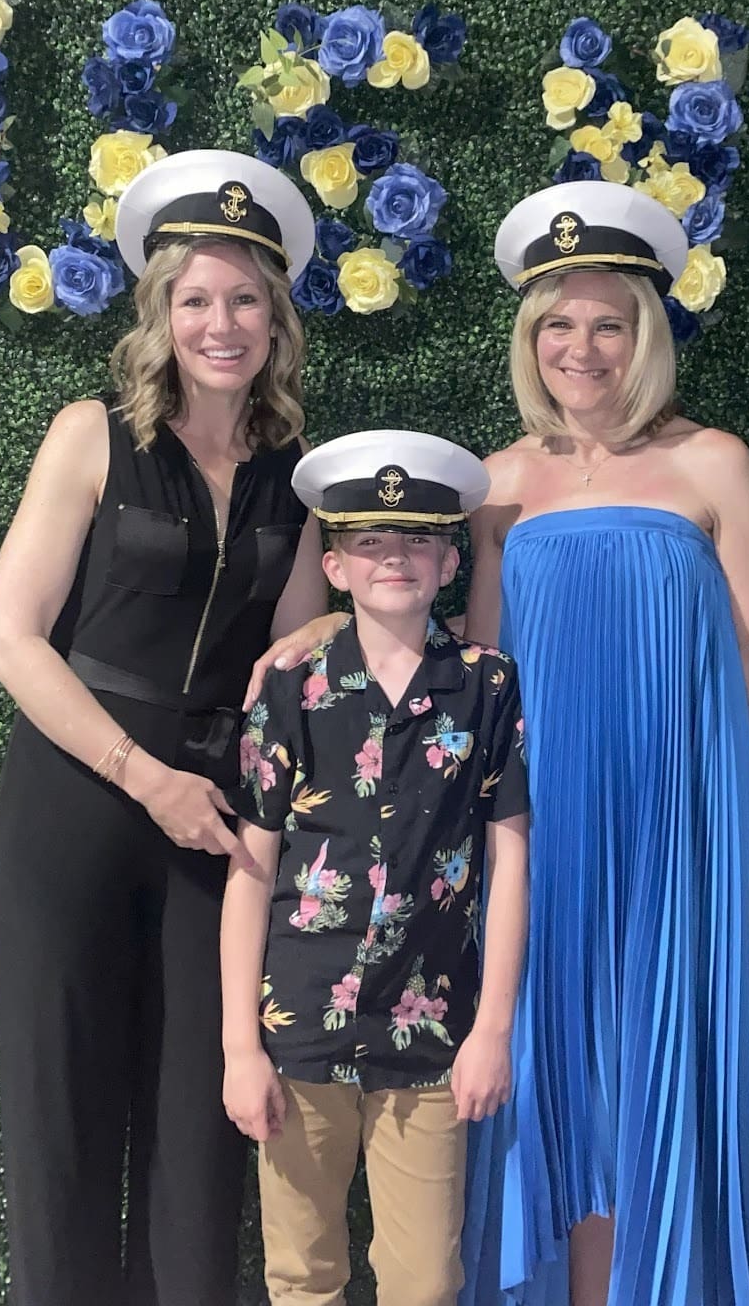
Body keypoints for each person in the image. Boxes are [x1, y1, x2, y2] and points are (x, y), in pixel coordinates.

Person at [255, 182, 749, 1306]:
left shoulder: (715, 463)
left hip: (680, 839)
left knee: (657, 1083)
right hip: (537, 838)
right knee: (556, 1081)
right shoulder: (496, 485)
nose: (580, 349)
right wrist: (318, 628)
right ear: (528, 337)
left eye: (608, 324)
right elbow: (465, 667)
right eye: (558, 324)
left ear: (646, 334)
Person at [0, 149, 330, 1306]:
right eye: (195, 299)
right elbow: (12, 637)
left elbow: (294, 644)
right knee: (63, 1114)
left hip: (216, 819)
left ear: (275, 320)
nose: (220, 324)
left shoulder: (295, 473)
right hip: (76, 802)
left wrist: (341, 627)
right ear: (160, 312)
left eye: (245, 300)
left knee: (199, 1121)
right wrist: (144, 775)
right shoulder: (91, 434)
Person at [221, 431, 531, 1306]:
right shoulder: (292, 689)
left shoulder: (487, 686)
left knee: (425, 1281)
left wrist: (493, 1030)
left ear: (448, 562)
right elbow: (250, 871)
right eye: (369, 541)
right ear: (334, 566)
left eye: (418, 540)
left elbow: (510, 862)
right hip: (298, 1029)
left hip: (429, 1035)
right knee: (303, 1275)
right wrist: (238, 1047)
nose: (394, 556)